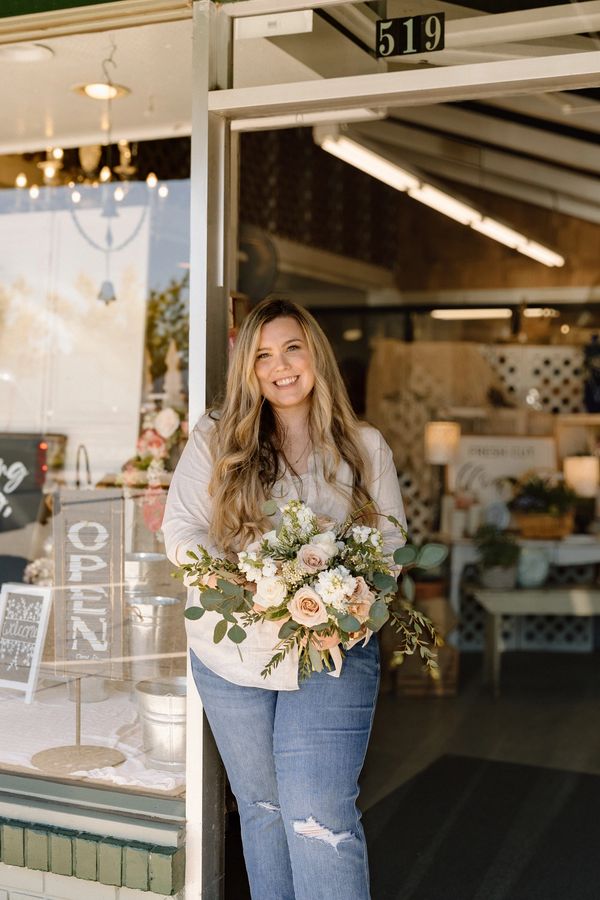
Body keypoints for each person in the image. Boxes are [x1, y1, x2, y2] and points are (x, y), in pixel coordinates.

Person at [162, 297, 406, 900]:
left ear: (314, 353)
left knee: (317, 814)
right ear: (249, 369)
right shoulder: (218, 438)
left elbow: (391, 548)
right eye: (263, 355)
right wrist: (240, 581)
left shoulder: (363, 445)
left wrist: (349, 603)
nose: (281, 366)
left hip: (329, 651)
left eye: (292, 348)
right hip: (233, 659)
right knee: (265, 808)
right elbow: (182, 532)